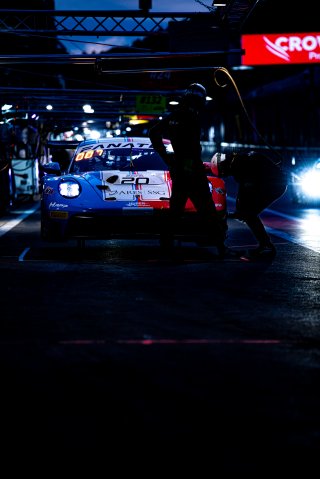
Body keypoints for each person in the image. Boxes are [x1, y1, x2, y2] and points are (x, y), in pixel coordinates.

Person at [149, 82, 228, 258]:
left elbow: (154, 132)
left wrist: (168, 158)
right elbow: (158, 134)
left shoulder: (175, 116)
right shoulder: (189, 116)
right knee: (207, 209)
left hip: (180, 168)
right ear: (198, 99)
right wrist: (179, 161)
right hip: (190, 169)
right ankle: (220, 245)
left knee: (175, 210)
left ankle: (166, 246)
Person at [210, 150, 288, 260]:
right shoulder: (238, 160)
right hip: (270, 182)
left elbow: (245, 191)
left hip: (274, 186)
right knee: (247, 213)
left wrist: (239, 212)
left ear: (225, 166)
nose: (226, 175)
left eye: (223, 172)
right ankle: (265, 244)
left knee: (249, 214)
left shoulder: (241, 166)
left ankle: (266, 246)